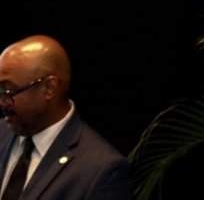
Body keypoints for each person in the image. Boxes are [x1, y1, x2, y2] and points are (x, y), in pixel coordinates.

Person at [0, 35, 132, 200]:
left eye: (8, 91)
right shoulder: (2, 133)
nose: (1, 102)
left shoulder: (101, 171)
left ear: (49, 88)